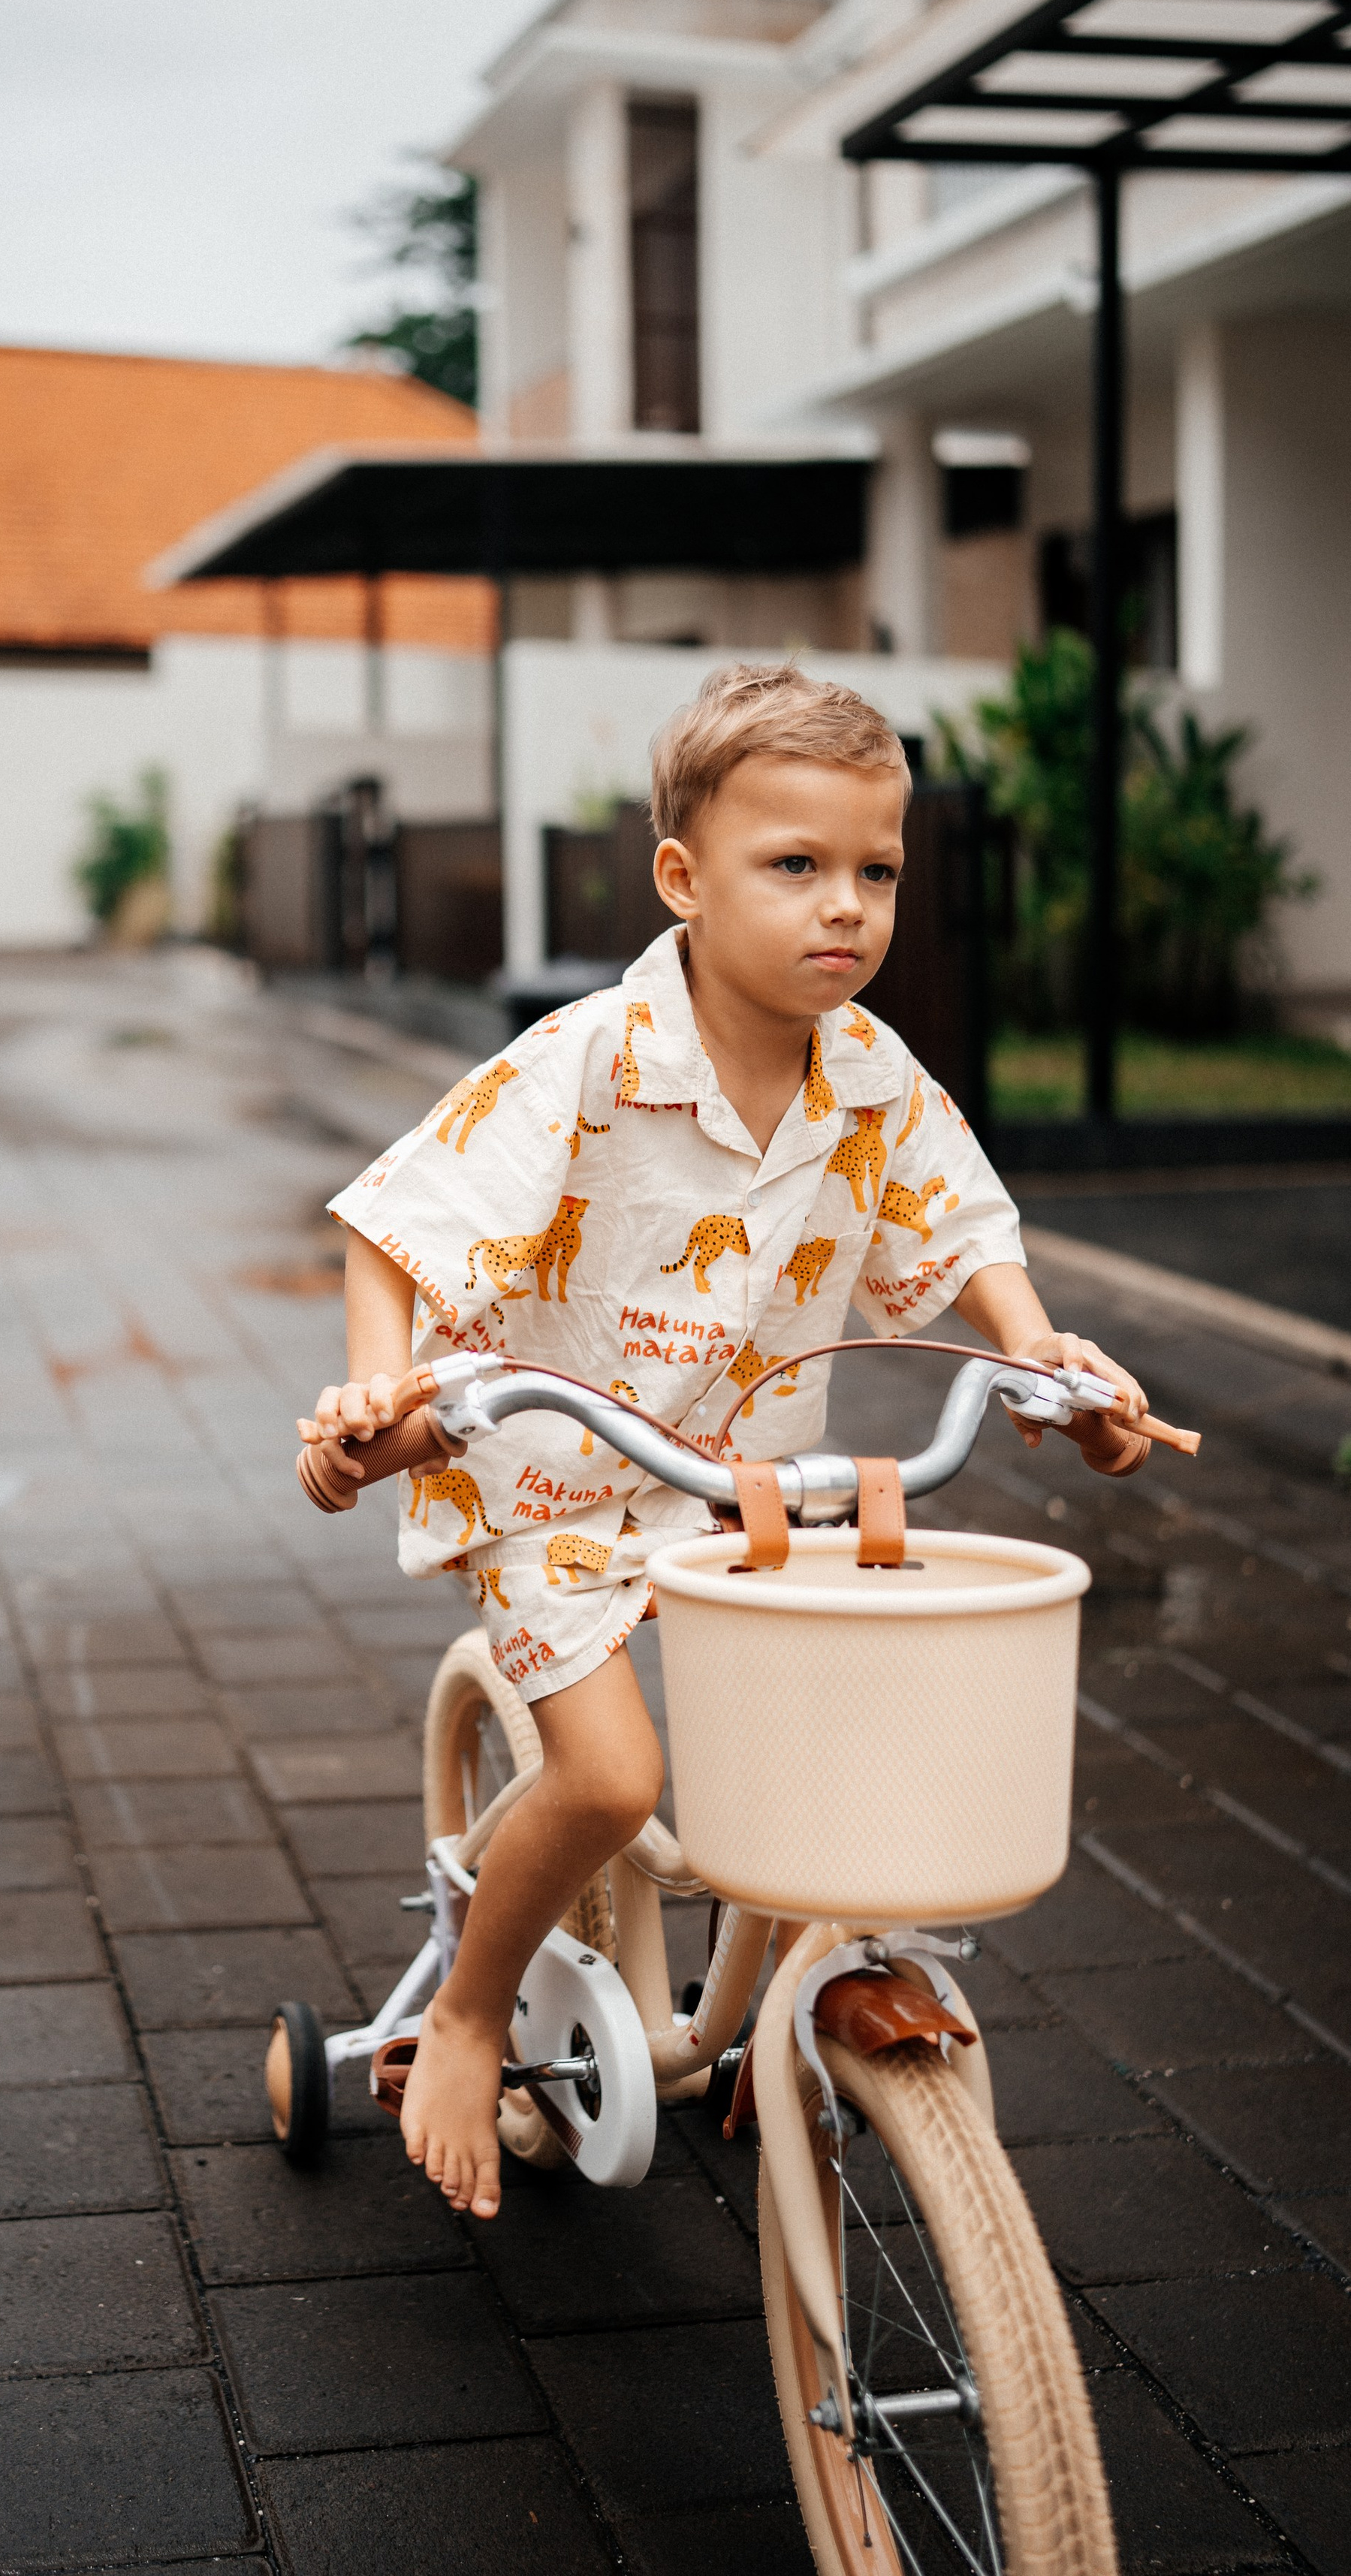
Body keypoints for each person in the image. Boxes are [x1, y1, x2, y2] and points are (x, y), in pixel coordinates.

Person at [297, 662, 1147, 2223]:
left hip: (739, 1481)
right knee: (615, 1780)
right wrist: (375, 1398)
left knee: (840, 1722)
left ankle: (774, 1997)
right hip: (551, 1477)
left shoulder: (869, 1073)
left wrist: (1042, 1363)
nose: (845, 909)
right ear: (682, 881)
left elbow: (959, 1227)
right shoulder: (584, 1061)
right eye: (794, 867)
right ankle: (468, 2014)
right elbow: (397, 1227)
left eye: (874, 871)